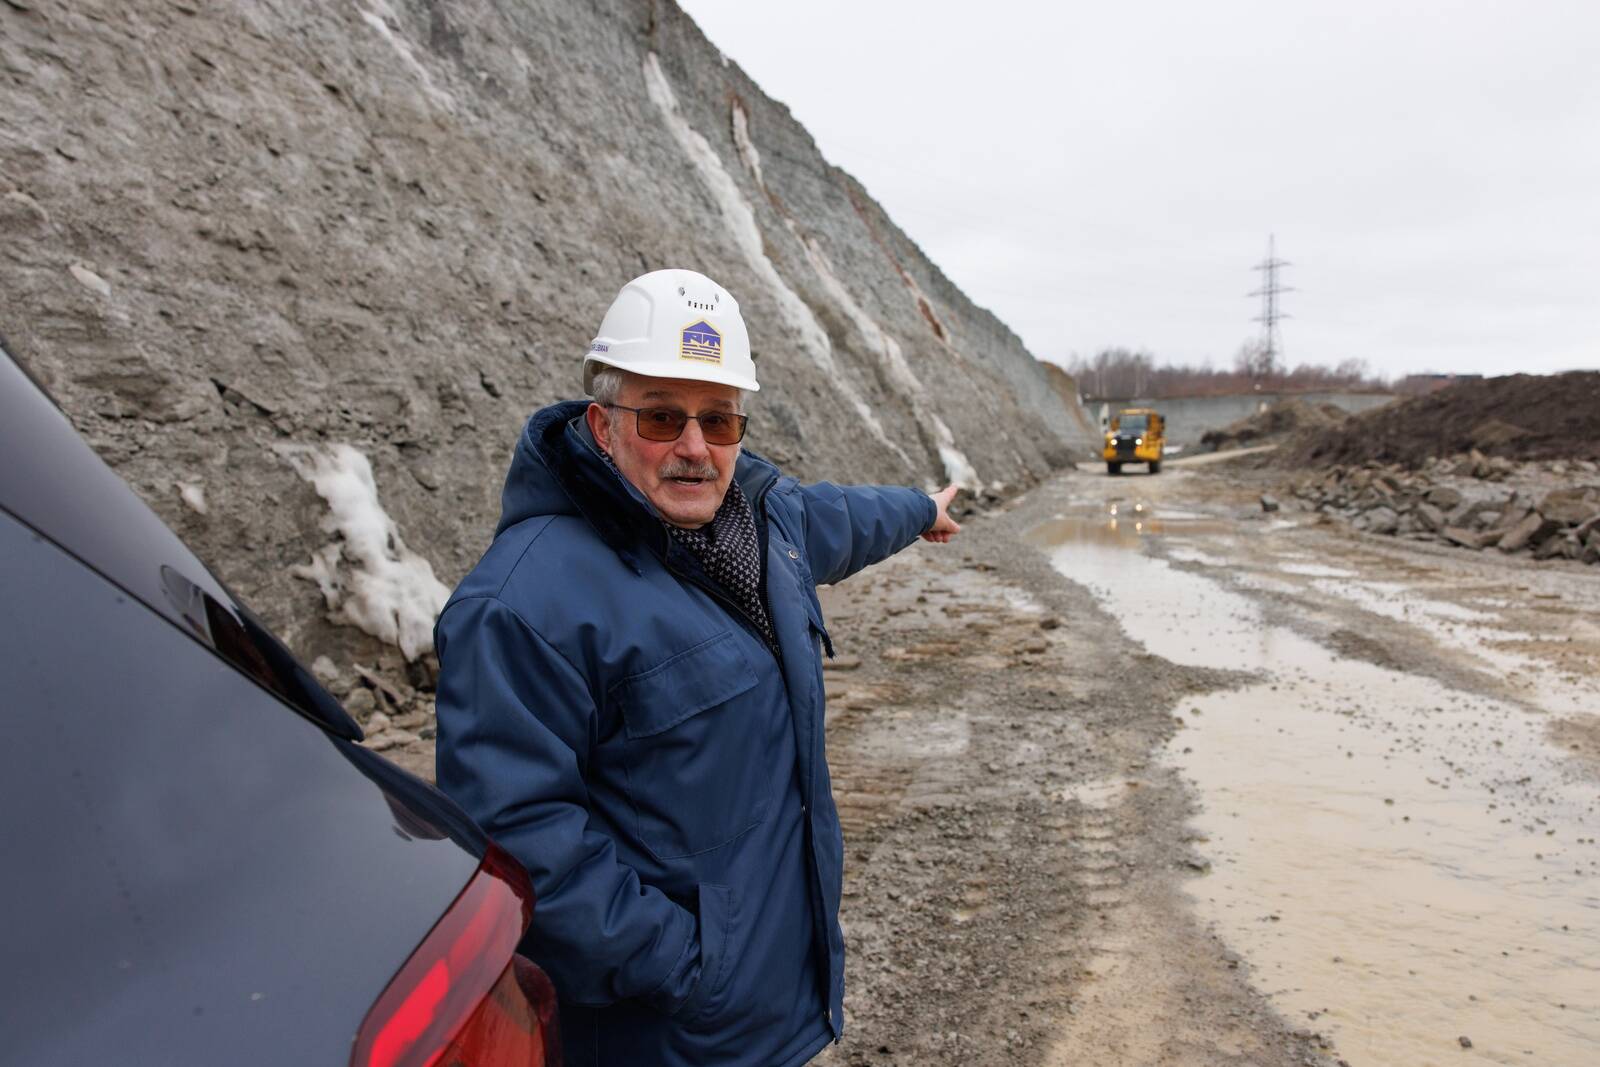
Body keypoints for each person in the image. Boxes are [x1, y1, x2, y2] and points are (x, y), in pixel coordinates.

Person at [435, 268, 961, 1067]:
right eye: (661, 416)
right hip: (665, 1035)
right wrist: (690, 965)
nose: (693, 447)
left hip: (774, 1012)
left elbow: (847, 517)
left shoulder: (763, 522)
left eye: (718, 420)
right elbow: (517, 840)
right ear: (602, 425)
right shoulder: (521, 605)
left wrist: (924, 509)